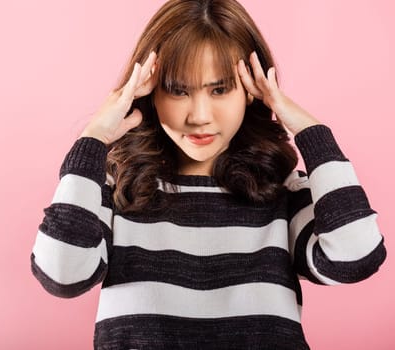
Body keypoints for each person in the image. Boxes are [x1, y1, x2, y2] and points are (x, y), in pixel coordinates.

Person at [30, 0, 387, 348]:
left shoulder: (283, 193)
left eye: (219, 89)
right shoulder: (114, 194)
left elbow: (356, 257)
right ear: (150, 92)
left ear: (251, 90)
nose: (199, 115)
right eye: (178, 90)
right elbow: (61, 274)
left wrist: (312, 131)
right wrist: (93, 139)